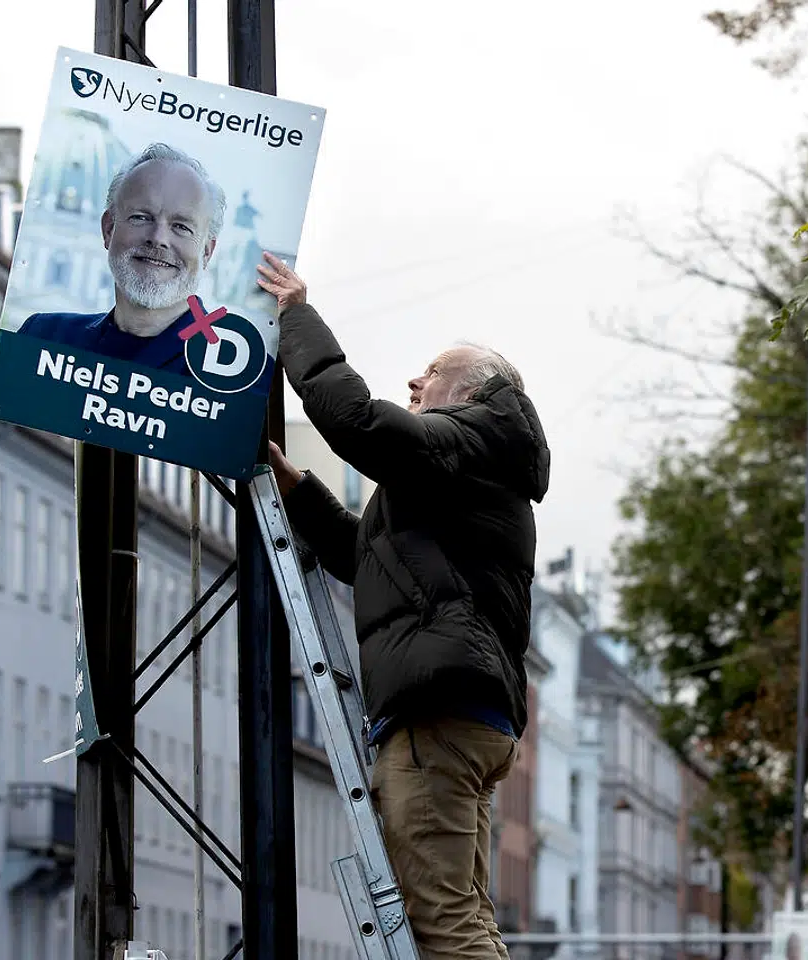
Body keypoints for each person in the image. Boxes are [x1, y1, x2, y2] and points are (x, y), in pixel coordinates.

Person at [256, 252, 551, 958]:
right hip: (464, 715)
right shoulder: (475, 468)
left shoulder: (468, 444)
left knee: (442, 925)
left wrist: (297, 315)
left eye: (433, 373)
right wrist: (294, 486)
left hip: (436, 717)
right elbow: (369, 557)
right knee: (465, 917)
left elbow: (359, 424)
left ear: (475, 392)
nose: (415, 382)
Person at [19, 142, 264, 383]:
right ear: (108, 229)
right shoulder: (41, 338)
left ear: (207, 252)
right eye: (141, 217)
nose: (158, 239)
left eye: (181, 227)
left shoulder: (243, 374)